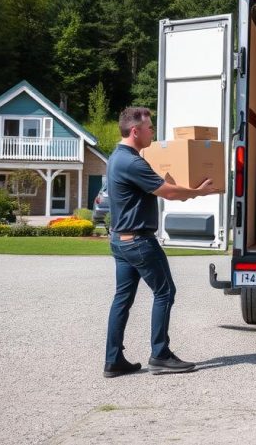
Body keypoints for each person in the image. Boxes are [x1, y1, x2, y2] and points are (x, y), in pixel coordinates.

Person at [103, 107, 219, 378]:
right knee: (165, 292)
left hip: (121, 241)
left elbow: (152, 187)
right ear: (135, 131)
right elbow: (168, 193)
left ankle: (113, 360)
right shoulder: (132, 162)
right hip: (139, 242)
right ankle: (160, 355)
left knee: (122, 299)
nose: (153, 131)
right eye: (150, 127)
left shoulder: (117, 158)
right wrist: (197, 192)